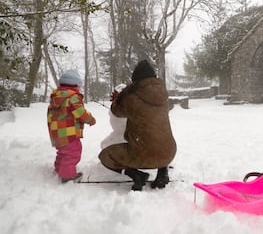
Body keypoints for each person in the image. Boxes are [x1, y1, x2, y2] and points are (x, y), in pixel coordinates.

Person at [99, 60, 177, 191]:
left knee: (106, 156)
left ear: (136, 80)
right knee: (158, 141)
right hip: (169, 153)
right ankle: (163, 172)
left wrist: (121, 96)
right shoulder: (163, 95)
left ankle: (136, 174)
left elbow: (116, 112)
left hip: (143, 154)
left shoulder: (132, 97)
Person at [47, 70, 96, 183]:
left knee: (63, 152)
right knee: (73, 152)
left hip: (56, 132)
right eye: (78, 86)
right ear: (75, 85)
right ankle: (67, 176)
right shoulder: (73, 97)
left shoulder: (56, 96)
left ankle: (59, 168)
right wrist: (90, 119)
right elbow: (80, 113)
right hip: (69, 132)